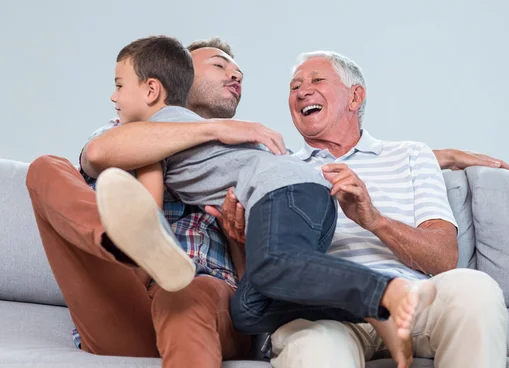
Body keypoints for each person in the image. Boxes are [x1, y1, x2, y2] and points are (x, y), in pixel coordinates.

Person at [96, 37, 443, 347]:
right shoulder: (207, 134)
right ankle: (369, 311)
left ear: (153, 89)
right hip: (307, 203)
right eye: (219, 65)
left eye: (119, 85)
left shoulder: (164, 127)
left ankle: (386, 291)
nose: (113, 96)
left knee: (275, 265)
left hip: (285, 193)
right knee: (247, 311)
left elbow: (149, 202)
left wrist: (151, 248)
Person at [209, 51, 509, 368]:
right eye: (294, 86)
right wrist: (243, 241)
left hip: (409, 301)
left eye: (316, 80)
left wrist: (374, 220)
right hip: (320, 315)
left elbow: (443, 258)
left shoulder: (411, 156)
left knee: (475, 290)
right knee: (318, 349)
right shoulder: (278, 171)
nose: (302, 91)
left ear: (355, 96)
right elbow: (262, 283)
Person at [25, 36, 285, 368]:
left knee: (187, 292)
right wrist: (212, 129)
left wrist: (239, 241)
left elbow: (255, 297)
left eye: (238, 70)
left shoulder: (246, 156)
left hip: (202, 299)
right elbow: (99, 154)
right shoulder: (119, 129)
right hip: (123, 296)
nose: (234, 74)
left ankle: (150, 249)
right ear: (177, 77)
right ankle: (128, 243)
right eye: (219, 64)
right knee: (45, 168)